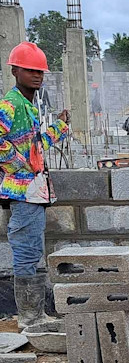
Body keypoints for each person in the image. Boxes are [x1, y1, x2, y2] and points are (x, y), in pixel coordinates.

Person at [0, 41, 70, 330]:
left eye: (40, 71)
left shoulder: (27, 106)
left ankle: (33, 315)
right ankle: (30, 317)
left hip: (33, 192)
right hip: (24, 192)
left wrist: (60, 127)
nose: (37, 76)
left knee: (31, 252)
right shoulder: (11, 104)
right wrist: (19, 166)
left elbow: (36, 147)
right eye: (30, 70)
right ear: (15, 71)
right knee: (27, 254)